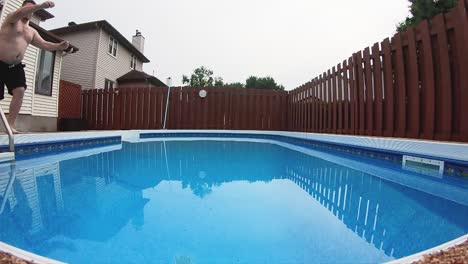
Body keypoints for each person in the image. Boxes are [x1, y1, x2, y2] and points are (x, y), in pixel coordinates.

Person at [0, 0, 71, 133]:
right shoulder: (12, 19)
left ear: (32, 14)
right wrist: (41, 6)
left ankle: (10, 125)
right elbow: (20, 12)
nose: (29, 11)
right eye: (28, 8)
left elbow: (44, 44)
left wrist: (58, 46)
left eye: (31, 10)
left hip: (15, 66)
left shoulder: (31, 31)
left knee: (20, 91)